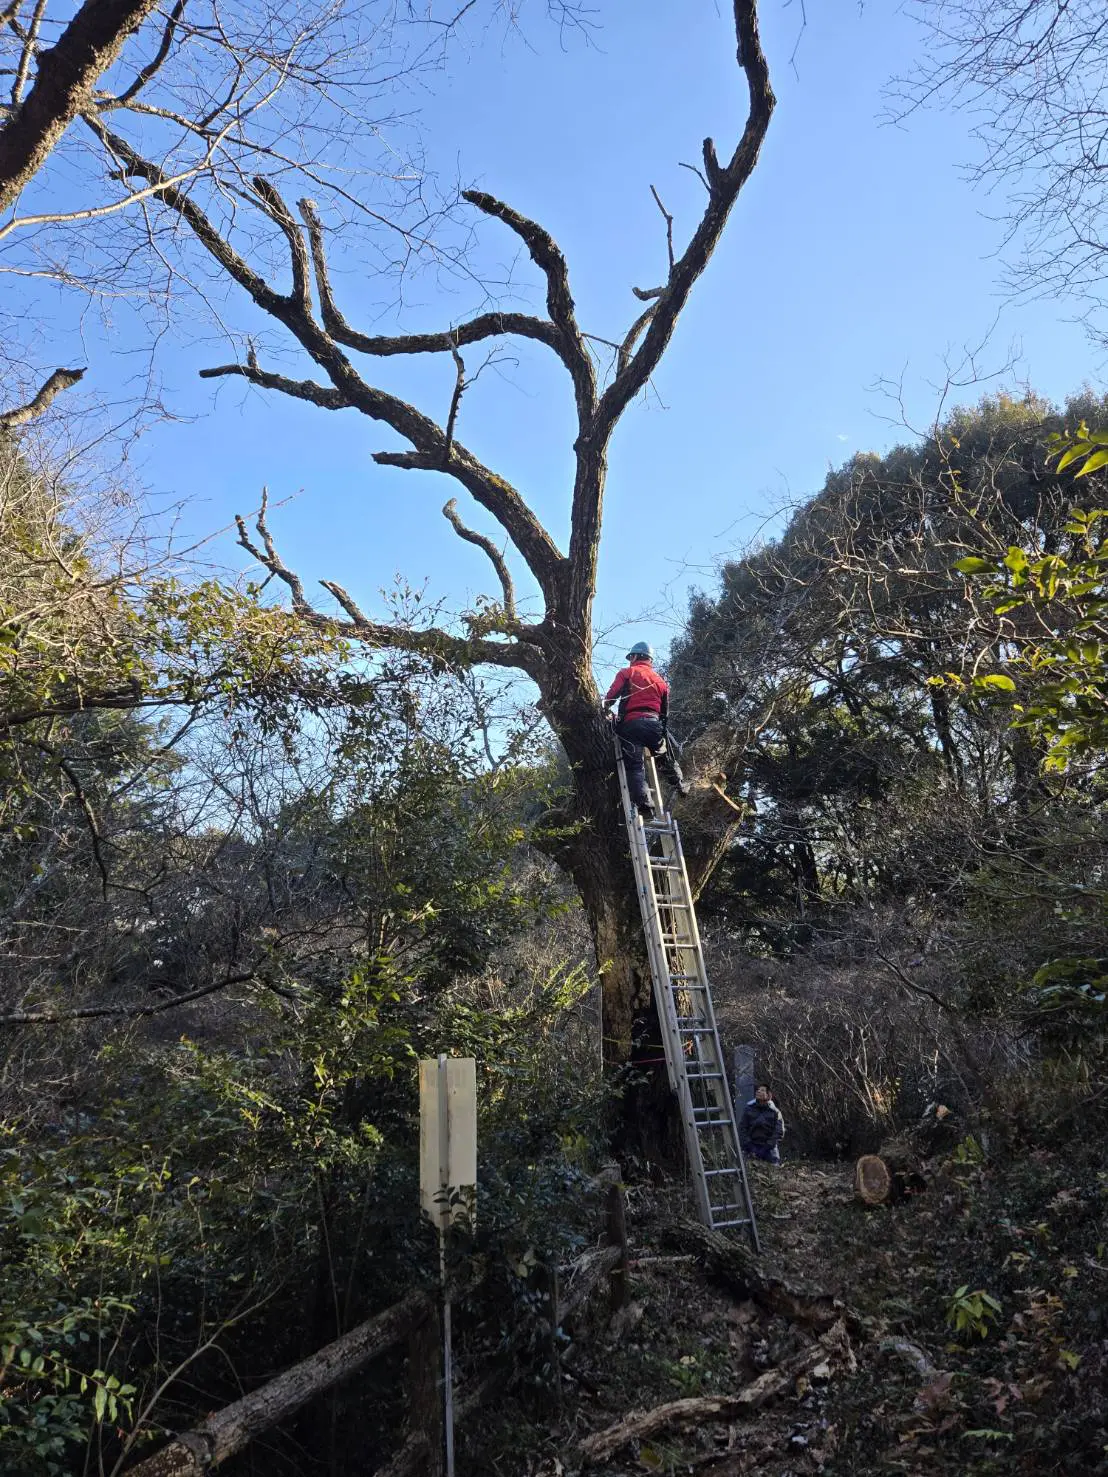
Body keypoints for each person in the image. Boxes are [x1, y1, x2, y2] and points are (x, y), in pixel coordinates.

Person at [604, 641, 690, 820]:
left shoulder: (627, 673)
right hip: (654, 725)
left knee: (635, 767)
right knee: (664, 757)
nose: (630, 661)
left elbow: (612, 696)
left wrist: (606, 707)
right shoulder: (660, 681)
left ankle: (645, 806)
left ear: (635, 656)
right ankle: (680, 784)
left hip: (631, 725)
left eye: (631, 657)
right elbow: (665, 712)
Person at [738, 1083, 785, 1165]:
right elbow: (742, 1128)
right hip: (751, 1147)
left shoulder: (775, 1112)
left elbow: (779, 1132)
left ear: (768, 1095)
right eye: (758, 1090)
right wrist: (750, 1146)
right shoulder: (748, 1109)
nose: (758, 1091)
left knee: (774, 1171)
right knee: (745, 1168)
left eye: (762, 1090)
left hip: (769, 1149)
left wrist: (766, 1147)